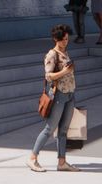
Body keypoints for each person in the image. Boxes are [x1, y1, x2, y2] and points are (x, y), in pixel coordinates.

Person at [29, 25, 79, 172]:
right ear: (55, 39)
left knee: (63, 130)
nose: (65, 42)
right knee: (49, 129)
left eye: (67, 39)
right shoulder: (52, 54)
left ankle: (62, 162)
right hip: (58, 96)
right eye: (63, 40)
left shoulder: (65, 52)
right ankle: (33, 158)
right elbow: (48, 76)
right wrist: (64, 71)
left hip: (70, 94)